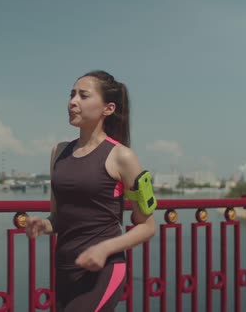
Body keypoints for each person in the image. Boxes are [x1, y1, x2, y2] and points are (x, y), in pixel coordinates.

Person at [25, 70, 157, 311]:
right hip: (65, 269)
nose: (73, 102)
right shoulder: (58, 152)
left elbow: (147, 227)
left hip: (103, 270)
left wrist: (104, 248)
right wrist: (44, 226)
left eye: (83, 96)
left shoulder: (122, 156)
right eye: (72, 94)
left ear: (108, 109)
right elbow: (58, 217)